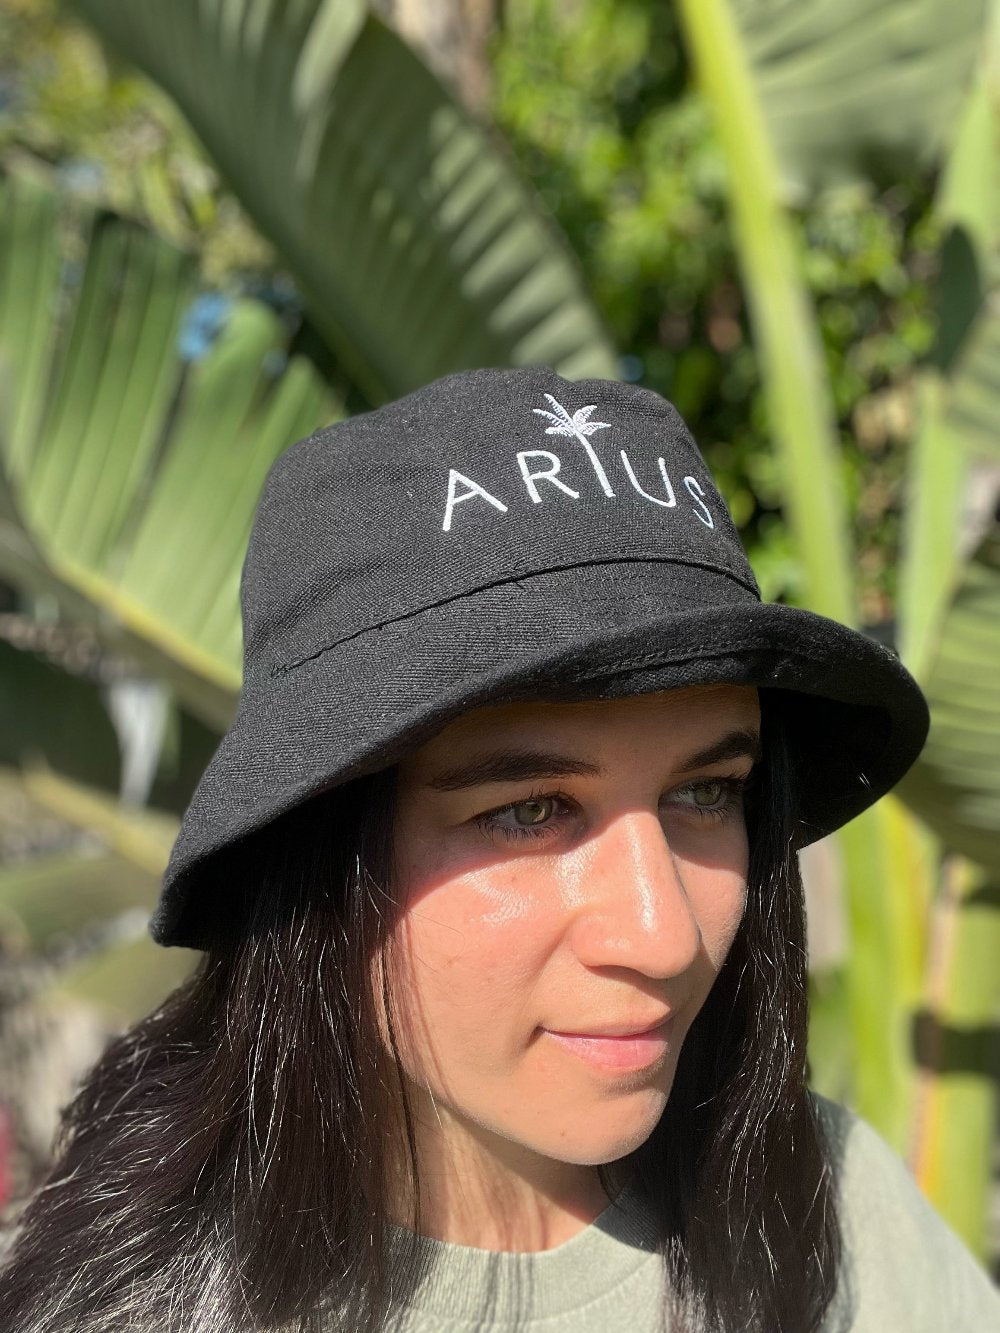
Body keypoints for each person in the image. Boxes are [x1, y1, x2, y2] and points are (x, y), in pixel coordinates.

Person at [0, 367, 997, 1333]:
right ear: (320, 857)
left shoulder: (826, 1214)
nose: (660, 935)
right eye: (529, 811)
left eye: (705, 792)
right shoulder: (126, 1303)